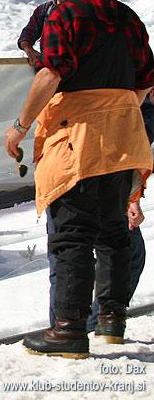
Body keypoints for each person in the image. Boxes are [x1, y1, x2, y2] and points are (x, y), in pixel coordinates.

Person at [3, 0, 154, 358]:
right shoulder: (128, 17)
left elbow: (51, 75)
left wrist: (19, 126)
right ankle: (112, 322)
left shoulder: (66, 14)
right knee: (113, 232)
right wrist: (120, 109)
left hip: (78, 137)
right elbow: (146, 78)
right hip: (124, 135)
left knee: (72, 234)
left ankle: (68, 330)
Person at [46, 93, 152, 332]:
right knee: (71, 253)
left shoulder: (141, 107)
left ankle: (91, 326)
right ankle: (74, 329)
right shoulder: (124, 87)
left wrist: (132, 196)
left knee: (115, 249)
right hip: (74, 170)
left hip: (104, 172)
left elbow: (132, 150)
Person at [17, 0, 63, 65]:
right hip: (51, 67)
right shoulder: (44, 10)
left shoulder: (80, 10)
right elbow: (29, 32)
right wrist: (28, 49)